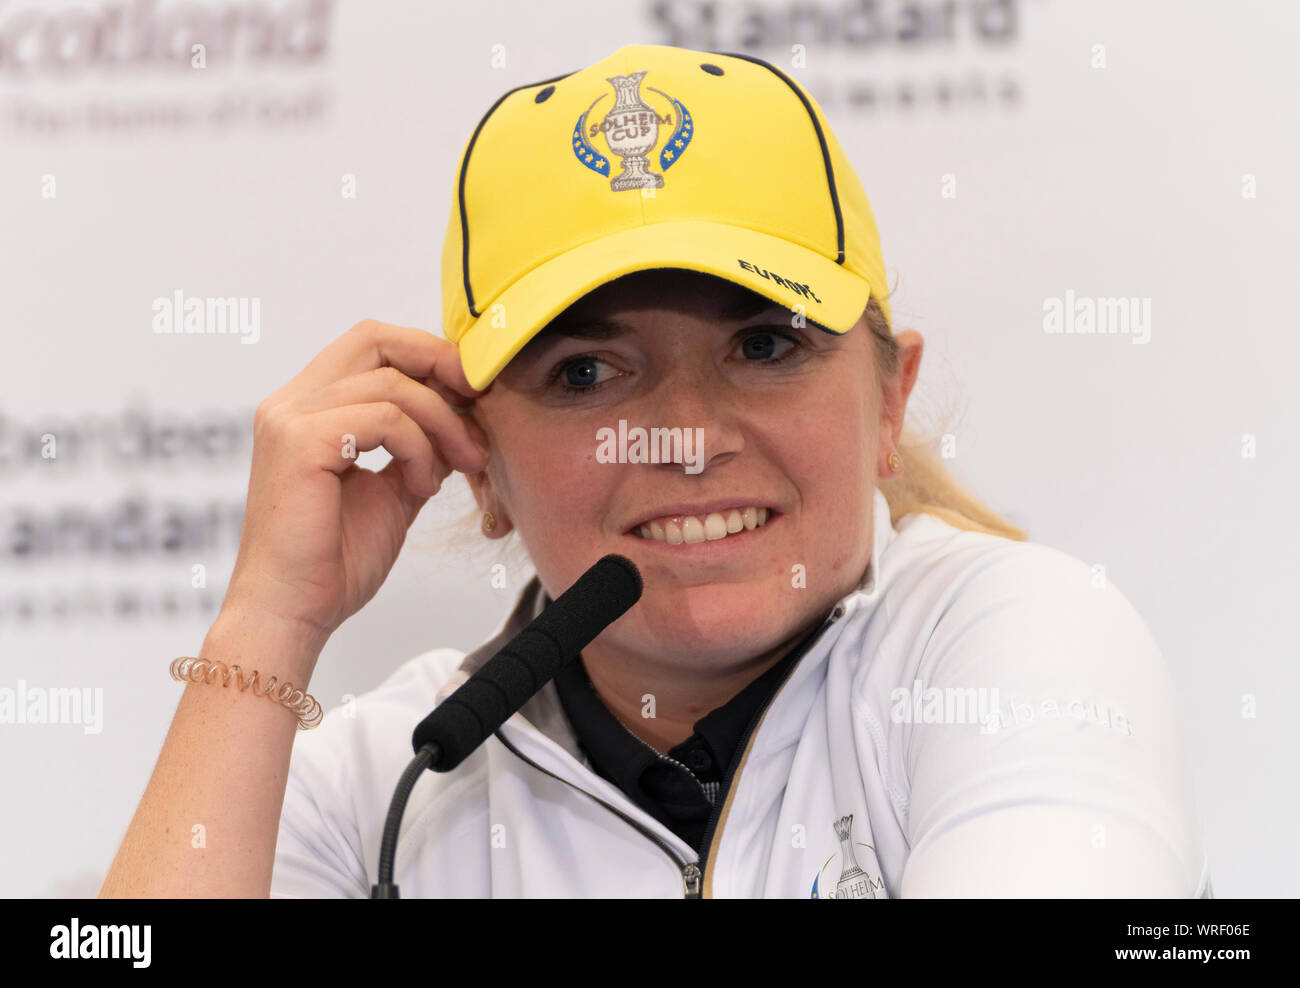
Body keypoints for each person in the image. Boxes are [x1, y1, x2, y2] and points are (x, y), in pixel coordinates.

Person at [99, 44, 1210, 898]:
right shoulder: (388, 776)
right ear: (476, 463)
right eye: (586, 373)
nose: (683, 436)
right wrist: (263, 624)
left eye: (764, 346)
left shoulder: (1008, 639)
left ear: (890, 402)